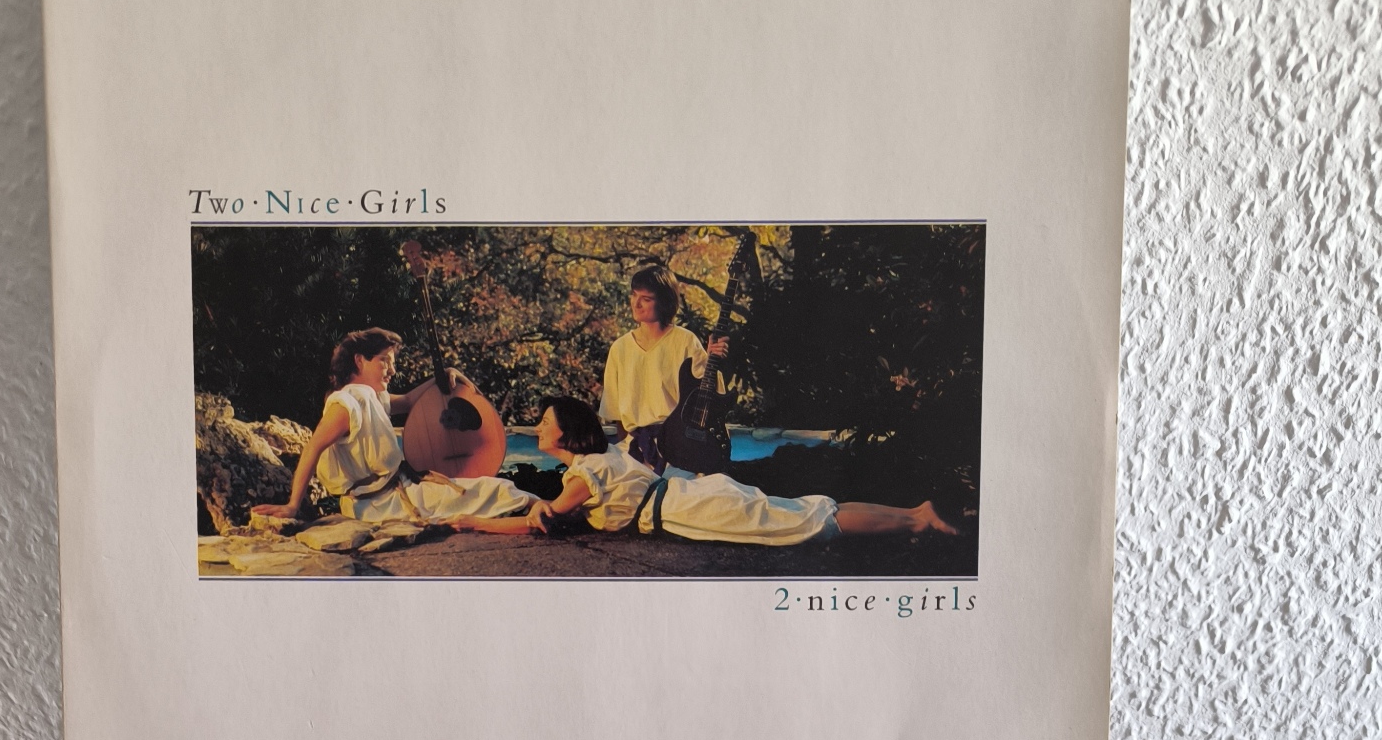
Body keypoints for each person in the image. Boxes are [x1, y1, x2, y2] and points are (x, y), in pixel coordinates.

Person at [448, 396, 958, 546]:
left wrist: (474, 523)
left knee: (807, 522)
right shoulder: (600, 461)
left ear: (568, 431)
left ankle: (918, 519)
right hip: (691, 496)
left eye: (545, 421)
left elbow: (538, 521)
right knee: (807, 511)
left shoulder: (584, 475)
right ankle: (917, 514)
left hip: (692, 507)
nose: (538, 427)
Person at [251, 327, 537, 532]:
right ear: (359, 360)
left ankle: (544, 510)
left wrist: (446, 373)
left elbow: (411, 401)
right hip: (380, 504)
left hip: (397, 494)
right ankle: (547, 512)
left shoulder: (372, 397)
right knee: (492, 490)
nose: (392, 370)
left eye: (393, 362)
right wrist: (292, 505)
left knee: (485, 489)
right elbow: (313, 448)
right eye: (384, 361)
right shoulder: (346, 403)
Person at [598, 261, 728, 473]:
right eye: (634, 295)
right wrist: (631, 457)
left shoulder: (685, 341)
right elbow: (618, 417)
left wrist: (713, 359)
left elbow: (707, 398)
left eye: (646, 299)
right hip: (634, 450)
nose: (636, 304)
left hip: (679, 448)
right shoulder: (620, 348)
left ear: (664, 302)